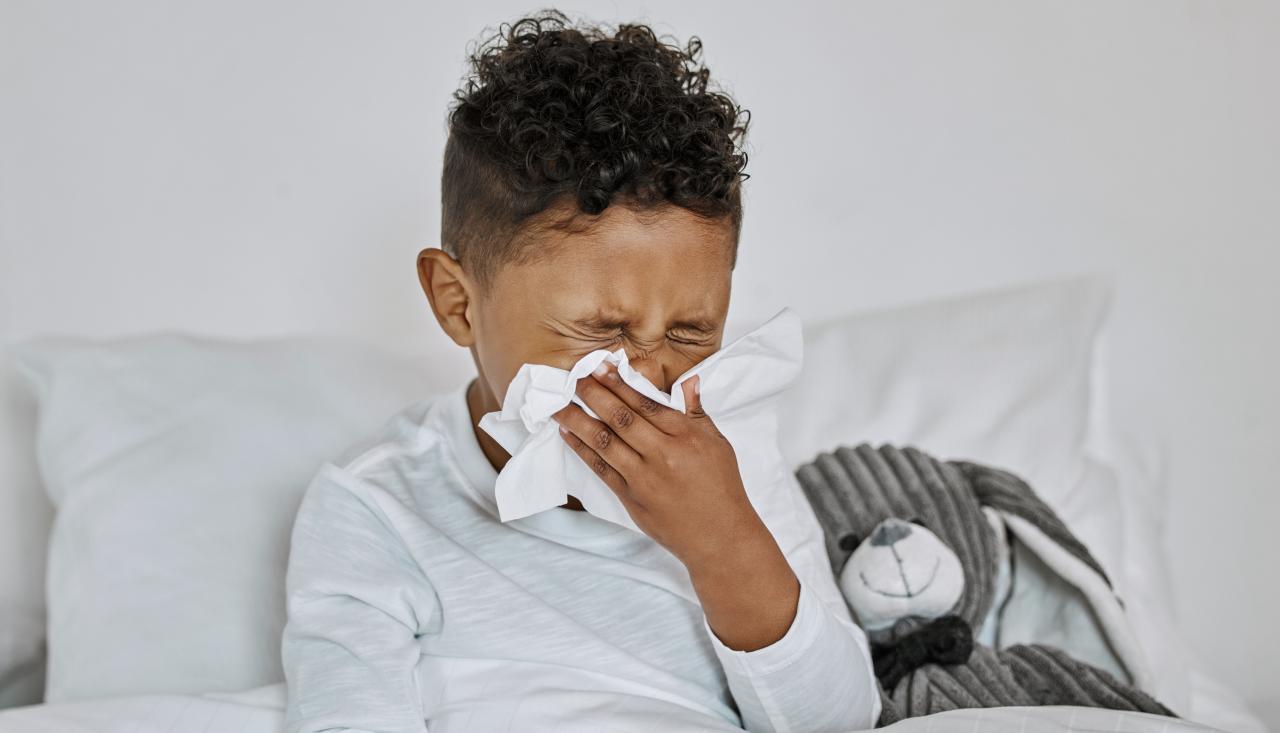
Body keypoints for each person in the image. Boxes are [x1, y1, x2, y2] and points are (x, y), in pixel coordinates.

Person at [280, 9, 880, 732]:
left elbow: (839, 721)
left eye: (693, 331)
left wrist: (723, 541)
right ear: (457, 303)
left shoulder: (734, 467)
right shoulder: (378, 505)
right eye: (601, 330)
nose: (650, 375)